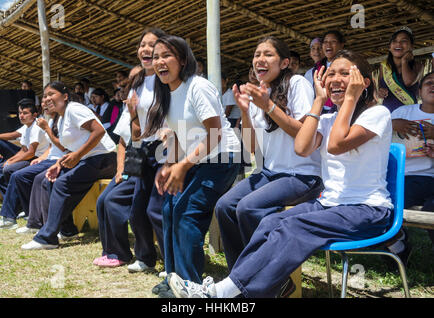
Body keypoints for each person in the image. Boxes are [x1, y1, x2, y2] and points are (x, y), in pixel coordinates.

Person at [167, 50, 394, 299]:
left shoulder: (377, 114)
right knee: (270, 223)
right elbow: (302, 147)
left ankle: (223, 293)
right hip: (329, 205)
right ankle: (248, 288)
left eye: (345, 74)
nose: (336, 79)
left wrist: (350, 99)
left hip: (366, 209)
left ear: (364, 82)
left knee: (292, 227)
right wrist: (318, 102)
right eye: (331, 74)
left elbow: (336, 145)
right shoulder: (328, 119)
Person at [142, 35, 241, 295]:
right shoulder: (168, 93)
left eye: (166, 56)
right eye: (156, 57)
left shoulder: (198, 86)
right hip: (198, 158)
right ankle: (173, 278)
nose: (160, 62)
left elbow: (215, 133)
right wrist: (169, 165)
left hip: (222, 157)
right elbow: (180, 134)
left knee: (187, 213)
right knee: (169, 208)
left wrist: (183, 166)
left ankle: (189, 285)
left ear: (183, 60)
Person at [215, 36, 323, 271]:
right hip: (269, 173)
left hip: (302, 175)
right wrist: (245, 112)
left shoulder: (297, 84)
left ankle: (267, 274)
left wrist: (269, 107)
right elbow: (252, 148)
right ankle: (240, 274)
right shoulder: (260, 93)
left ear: (284, 63)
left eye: (268, 54)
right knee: (224, 206)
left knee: (248, 207)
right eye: (256, 55)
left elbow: (305, 135)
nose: (260, 60)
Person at [94, 27, 167, 271]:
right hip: (141, 149)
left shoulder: (167, 79)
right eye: (142, 44)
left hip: (164, 148)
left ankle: (170, 264)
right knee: (135, 209)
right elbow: (131, 134)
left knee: (153, 209)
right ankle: (144, 257)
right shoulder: (137, 85)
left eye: (152, 45)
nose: (146, 49)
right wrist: (122, 169)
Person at [20, 81, 117, 250]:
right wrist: (58, 163)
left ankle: (47, 236)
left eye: (52, 94)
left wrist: (78, 155)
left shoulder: (74, 109)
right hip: (87, 160)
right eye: (45, 95)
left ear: (65, 96)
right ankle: (67, 229)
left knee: (62, 183)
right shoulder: (62, 118)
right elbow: (70, 148)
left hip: (104, 159)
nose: (48, 98)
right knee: (48, 180)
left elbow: (99, 131)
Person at [386, 71, 434, 262]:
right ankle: (398, 247)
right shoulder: (403, 113)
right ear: (419, 91)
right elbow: (374, 137)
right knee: (382, 208)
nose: (433, 85)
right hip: (403, 177)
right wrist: (391, 124)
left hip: (431, 178)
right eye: (429, 82)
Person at [0, 98, 49, 231]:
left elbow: (30, 152)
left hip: (39, 159)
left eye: (25, 113)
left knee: (12, 171)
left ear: (34, 115)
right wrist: (10, 160)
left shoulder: (36, 127)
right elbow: (23, 148)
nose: (21, 115)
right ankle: (14, 206)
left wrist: (11, 161)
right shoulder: (27, 126)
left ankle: (10, 216)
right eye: (20, 112)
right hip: (30, 157)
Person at [377, 27, 423, 113]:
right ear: (390, 47)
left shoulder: (418, 66)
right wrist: (379, 92)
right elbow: (379, 87)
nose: (398, 44)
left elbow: (408, 82)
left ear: (411, 46)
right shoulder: (384, 66)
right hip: (388, 114)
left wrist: (404, 61)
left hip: (409, 114)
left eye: (404, 41)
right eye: (394, 41)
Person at [320, 30, 346, 113]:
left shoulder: (349, 64)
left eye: (333, 41)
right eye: (325, 42)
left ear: (341, 45)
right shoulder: (318, 67)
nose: (328, 45)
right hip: (322, 109)